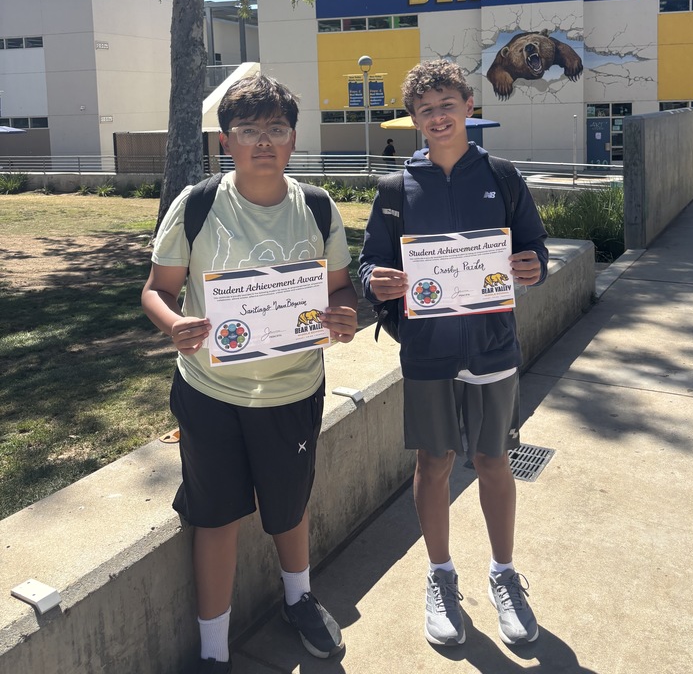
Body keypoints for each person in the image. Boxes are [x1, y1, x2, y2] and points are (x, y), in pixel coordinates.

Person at [142, 75, 357, 673]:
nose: (263, 141)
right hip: (210, 393)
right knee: (214, 516)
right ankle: (214, 652)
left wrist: (343, 317)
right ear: (225, 141)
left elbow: (339, 288)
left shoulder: (317, 206)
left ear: (293, 140)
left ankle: (300, 599)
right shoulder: (199, 203)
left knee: (289, 507)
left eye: (276, 130)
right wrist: (172, 326)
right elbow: (158, 290)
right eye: (249, 131)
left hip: (292, 390)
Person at [358, 60, 548, 649]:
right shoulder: (395, 190)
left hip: (492, 344)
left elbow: (533, 250)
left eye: (447, 104)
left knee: (492, 461)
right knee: (434, 463)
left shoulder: (503, 176)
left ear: (469, 106)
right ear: (414, 119)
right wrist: (377, 283)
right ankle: (440, 576)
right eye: (425, 109)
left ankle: (504, 574)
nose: (437, 117)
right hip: (429, 349)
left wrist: (532, 267)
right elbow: (369, 263)